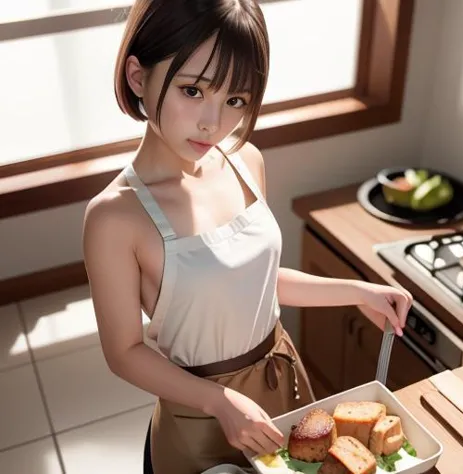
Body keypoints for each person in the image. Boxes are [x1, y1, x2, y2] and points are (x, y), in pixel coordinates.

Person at [82, 1, 413, 473]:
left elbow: (252, 282)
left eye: (235, 100)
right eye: (193, 90)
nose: (213, 123)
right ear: (138, 77)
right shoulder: (114, 217)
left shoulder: (246, 163)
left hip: (283, 387)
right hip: (197, 413)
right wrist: (219, 402)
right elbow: (124, 353)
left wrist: (357, 292)